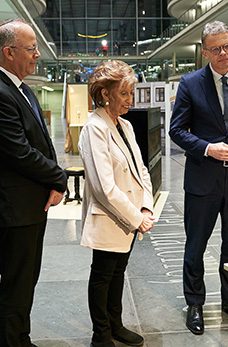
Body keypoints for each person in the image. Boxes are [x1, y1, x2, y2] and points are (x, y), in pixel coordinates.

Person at [0, 19, 67, 346]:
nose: (38, 55)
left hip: (26, 208)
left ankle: (19, 340)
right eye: (31, 48)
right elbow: (20, 154)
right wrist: (60, 176)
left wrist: (52, 177)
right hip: (13, 212)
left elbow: (39, 142)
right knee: (16, 286)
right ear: (9, 52)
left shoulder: (19, 89)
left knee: (24, 284)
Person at [169, 21, 228, 335]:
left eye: (227, 46)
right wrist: (208, 148)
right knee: (195, 246)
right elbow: (177, 131)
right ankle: (195, 304)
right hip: (202, 179)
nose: (223, 53)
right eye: (216, 49)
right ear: (204, 51)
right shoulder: (190, 83)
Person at [78, 60, 155, 347]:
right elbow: (104, 188)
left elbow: (141, 170)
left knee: (118, 273)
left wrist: (146, 207)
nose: (129, 100)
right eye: (124, 93)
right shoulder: (94, 128)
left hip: (132, 216)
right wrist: (137, 218)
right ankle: (101, 335)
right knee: (102, 275)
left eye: (131, 93)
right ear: (105, 93)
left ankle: (115, 324)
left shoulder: (125, 125)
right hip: (110, 218)